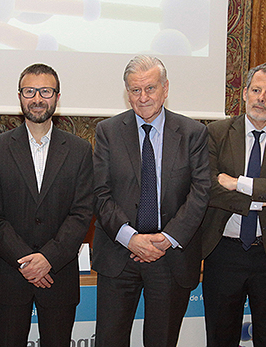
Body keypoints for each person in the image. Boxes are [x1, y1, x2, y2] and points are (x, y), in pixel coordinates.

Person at [93, 55, 210, 346]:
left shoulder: (193, 134)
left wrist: (166, 238)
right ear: (127, 92)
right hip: (119, 254)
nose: (143, 97)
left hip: (170, 256)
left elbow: (200, 192)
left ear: (165, 88)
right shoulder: (107, 132)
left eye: (150, 88)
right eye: (135, 90)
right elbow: (99, 193)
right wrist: (130, 238)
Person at [0, 63, 94, 347]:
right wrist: (26, 262)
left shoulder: (80, 150)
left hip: (58, 276)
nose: (37, 99)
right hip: (10, 276)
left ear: (57, 96)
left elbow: (81, 214)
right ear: (19, 96)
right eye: (30, 91)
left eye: (45, 91)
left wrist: (47, 260)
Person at [199, 61, 266, 347]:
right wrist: (263, 199)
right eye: (256, 90)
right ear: (244, 93)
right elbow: (208, 188)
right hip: (223, 252)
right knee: (221, 339)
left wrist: (238, 183)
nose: (261, 98)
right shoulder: (217, 133)